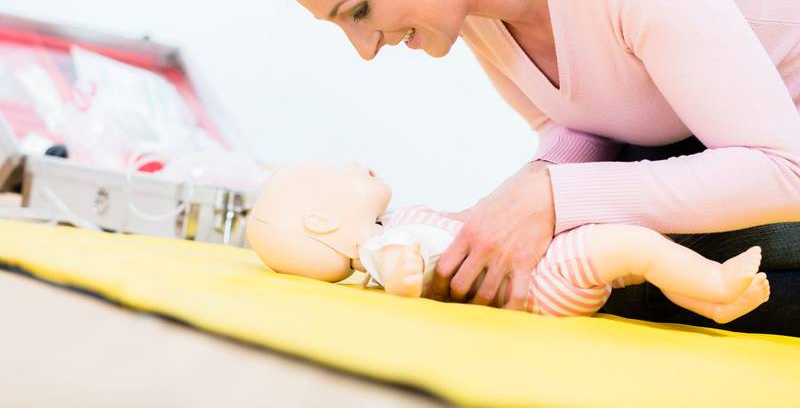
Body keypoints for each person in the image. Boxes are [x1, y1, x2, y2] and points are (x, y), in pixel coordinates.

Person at [253, 0, 800, 335]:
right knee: (568, 267)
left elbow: (786, 170)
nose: (365, 48)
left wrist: (552, 196)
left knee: (637, 271)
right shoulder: (479, 15)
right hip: (734, 153)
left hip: (783, 163)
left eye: (359, 11)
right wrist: (516, 198)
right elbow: (590, 122)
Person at [246, 161, 771, 323]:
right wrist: (404, 278)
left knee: (637, 261)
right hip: (538, 282)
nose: (353, 165)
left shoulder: (395, 228)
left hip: (536, 272)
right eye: (335, 172)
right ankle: (713, 282)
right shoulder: (384, 247)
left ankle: (712, 301)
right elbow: (404, 277)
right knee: (636, 246)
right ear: (321, 222)